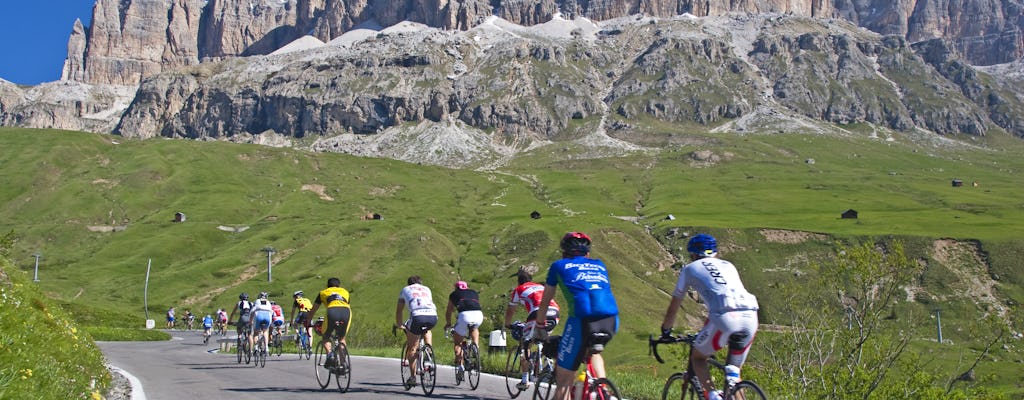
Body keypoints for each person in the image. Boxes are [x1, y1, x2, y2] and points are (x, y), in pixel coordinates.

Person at [659, 234, 759, 400]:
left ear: (693, 254)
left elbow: (674, 306)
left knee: (698, 358)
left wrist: (666, 330)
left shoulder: (690, 268)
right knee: (734, 371)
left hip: (725, 316)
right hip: (751, 315)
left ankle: (713, 396)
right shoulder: (728, 265)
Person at [535, 231, 619, 400]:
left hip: (582, 320)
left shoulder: (558, 266)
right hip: (611, 320)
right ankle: (603, 390)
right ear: (587, 253)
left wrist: (539, 326)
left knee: (564, 380)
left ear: (564, 252)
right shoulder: (599, 264)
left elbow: (545, 302)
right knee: (594, 353)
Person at [504, 268, 561, 390]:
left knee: (526, 345)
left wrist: (507, 324)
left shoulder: (519, 289)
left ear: (519, 282)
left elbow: (511, 309)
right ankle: (546, 361)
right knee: (542, 337)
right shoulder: (540, 286)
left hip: (537, 313)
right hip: (555, 313)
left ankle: (525, 380)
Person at [395, 275, 437, 387]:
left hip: (417, 316)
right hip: (433, 316)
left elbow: (399, 310)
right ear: (420, 283)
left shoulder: (405, 289)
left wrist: (400, 324)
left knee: (412, 347)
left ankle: (413, 377)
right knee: (427, 329)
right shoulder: (427, 289)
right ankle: (428, 352)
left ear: (409, 284)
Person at [306, 278, 352, 367]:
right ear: (339, 285)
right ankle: (343, 364)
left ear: (327, 285)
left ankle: (330, 355)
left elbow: (313, 310)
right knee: (342, 338)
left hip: (332, 310)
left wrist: (308, 322)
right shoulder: (345, 292)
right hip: (347, 311)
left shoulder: (323, 292)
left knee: (325, 336)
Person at [443, 280, 484, 380]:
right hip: (478, 315)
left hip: (464, 315)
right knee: (474, 328)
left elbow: (449, 311)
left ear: (456, 287)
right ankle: (476, 346)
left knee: (458, 343)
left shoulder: (454, 294)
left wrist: (448, 324)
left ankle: (460, 366)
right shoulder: (473, 292)